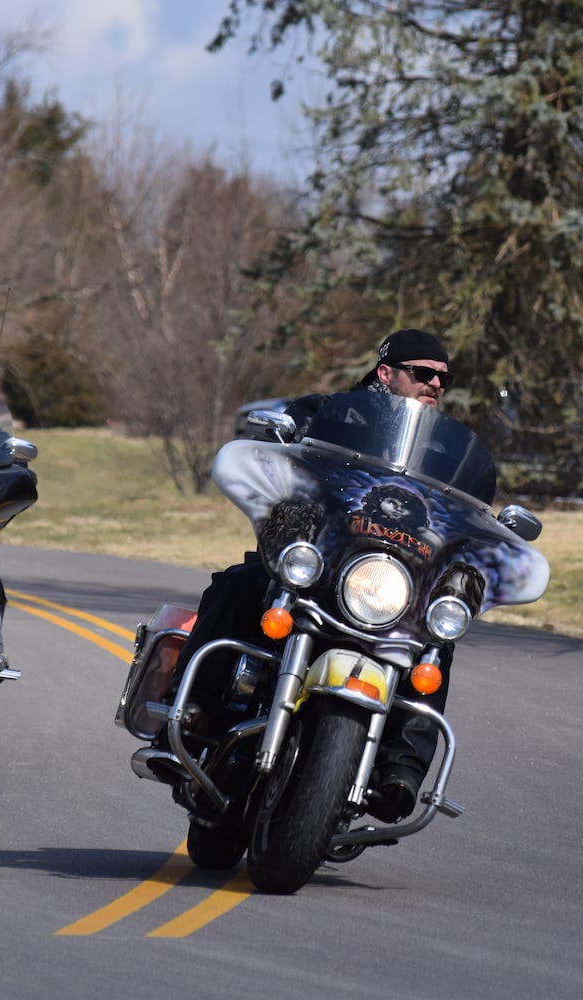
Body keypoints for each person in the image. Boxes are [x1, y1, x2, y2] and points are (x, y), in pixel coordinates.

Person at [170, 328, 459, 823]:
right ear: (387, 373)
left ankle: (400, 773)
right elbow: (284, 455)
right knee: (236, 584)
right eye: (421, 373)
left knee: (435, 640)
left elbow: (466, 515)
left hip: (383, 584)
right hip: (315, 563)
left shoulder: (445, 452)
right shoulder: (331, 412)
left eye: (441, 378)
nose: (433, 384)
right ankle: (194, 709)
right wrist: (283, 436)